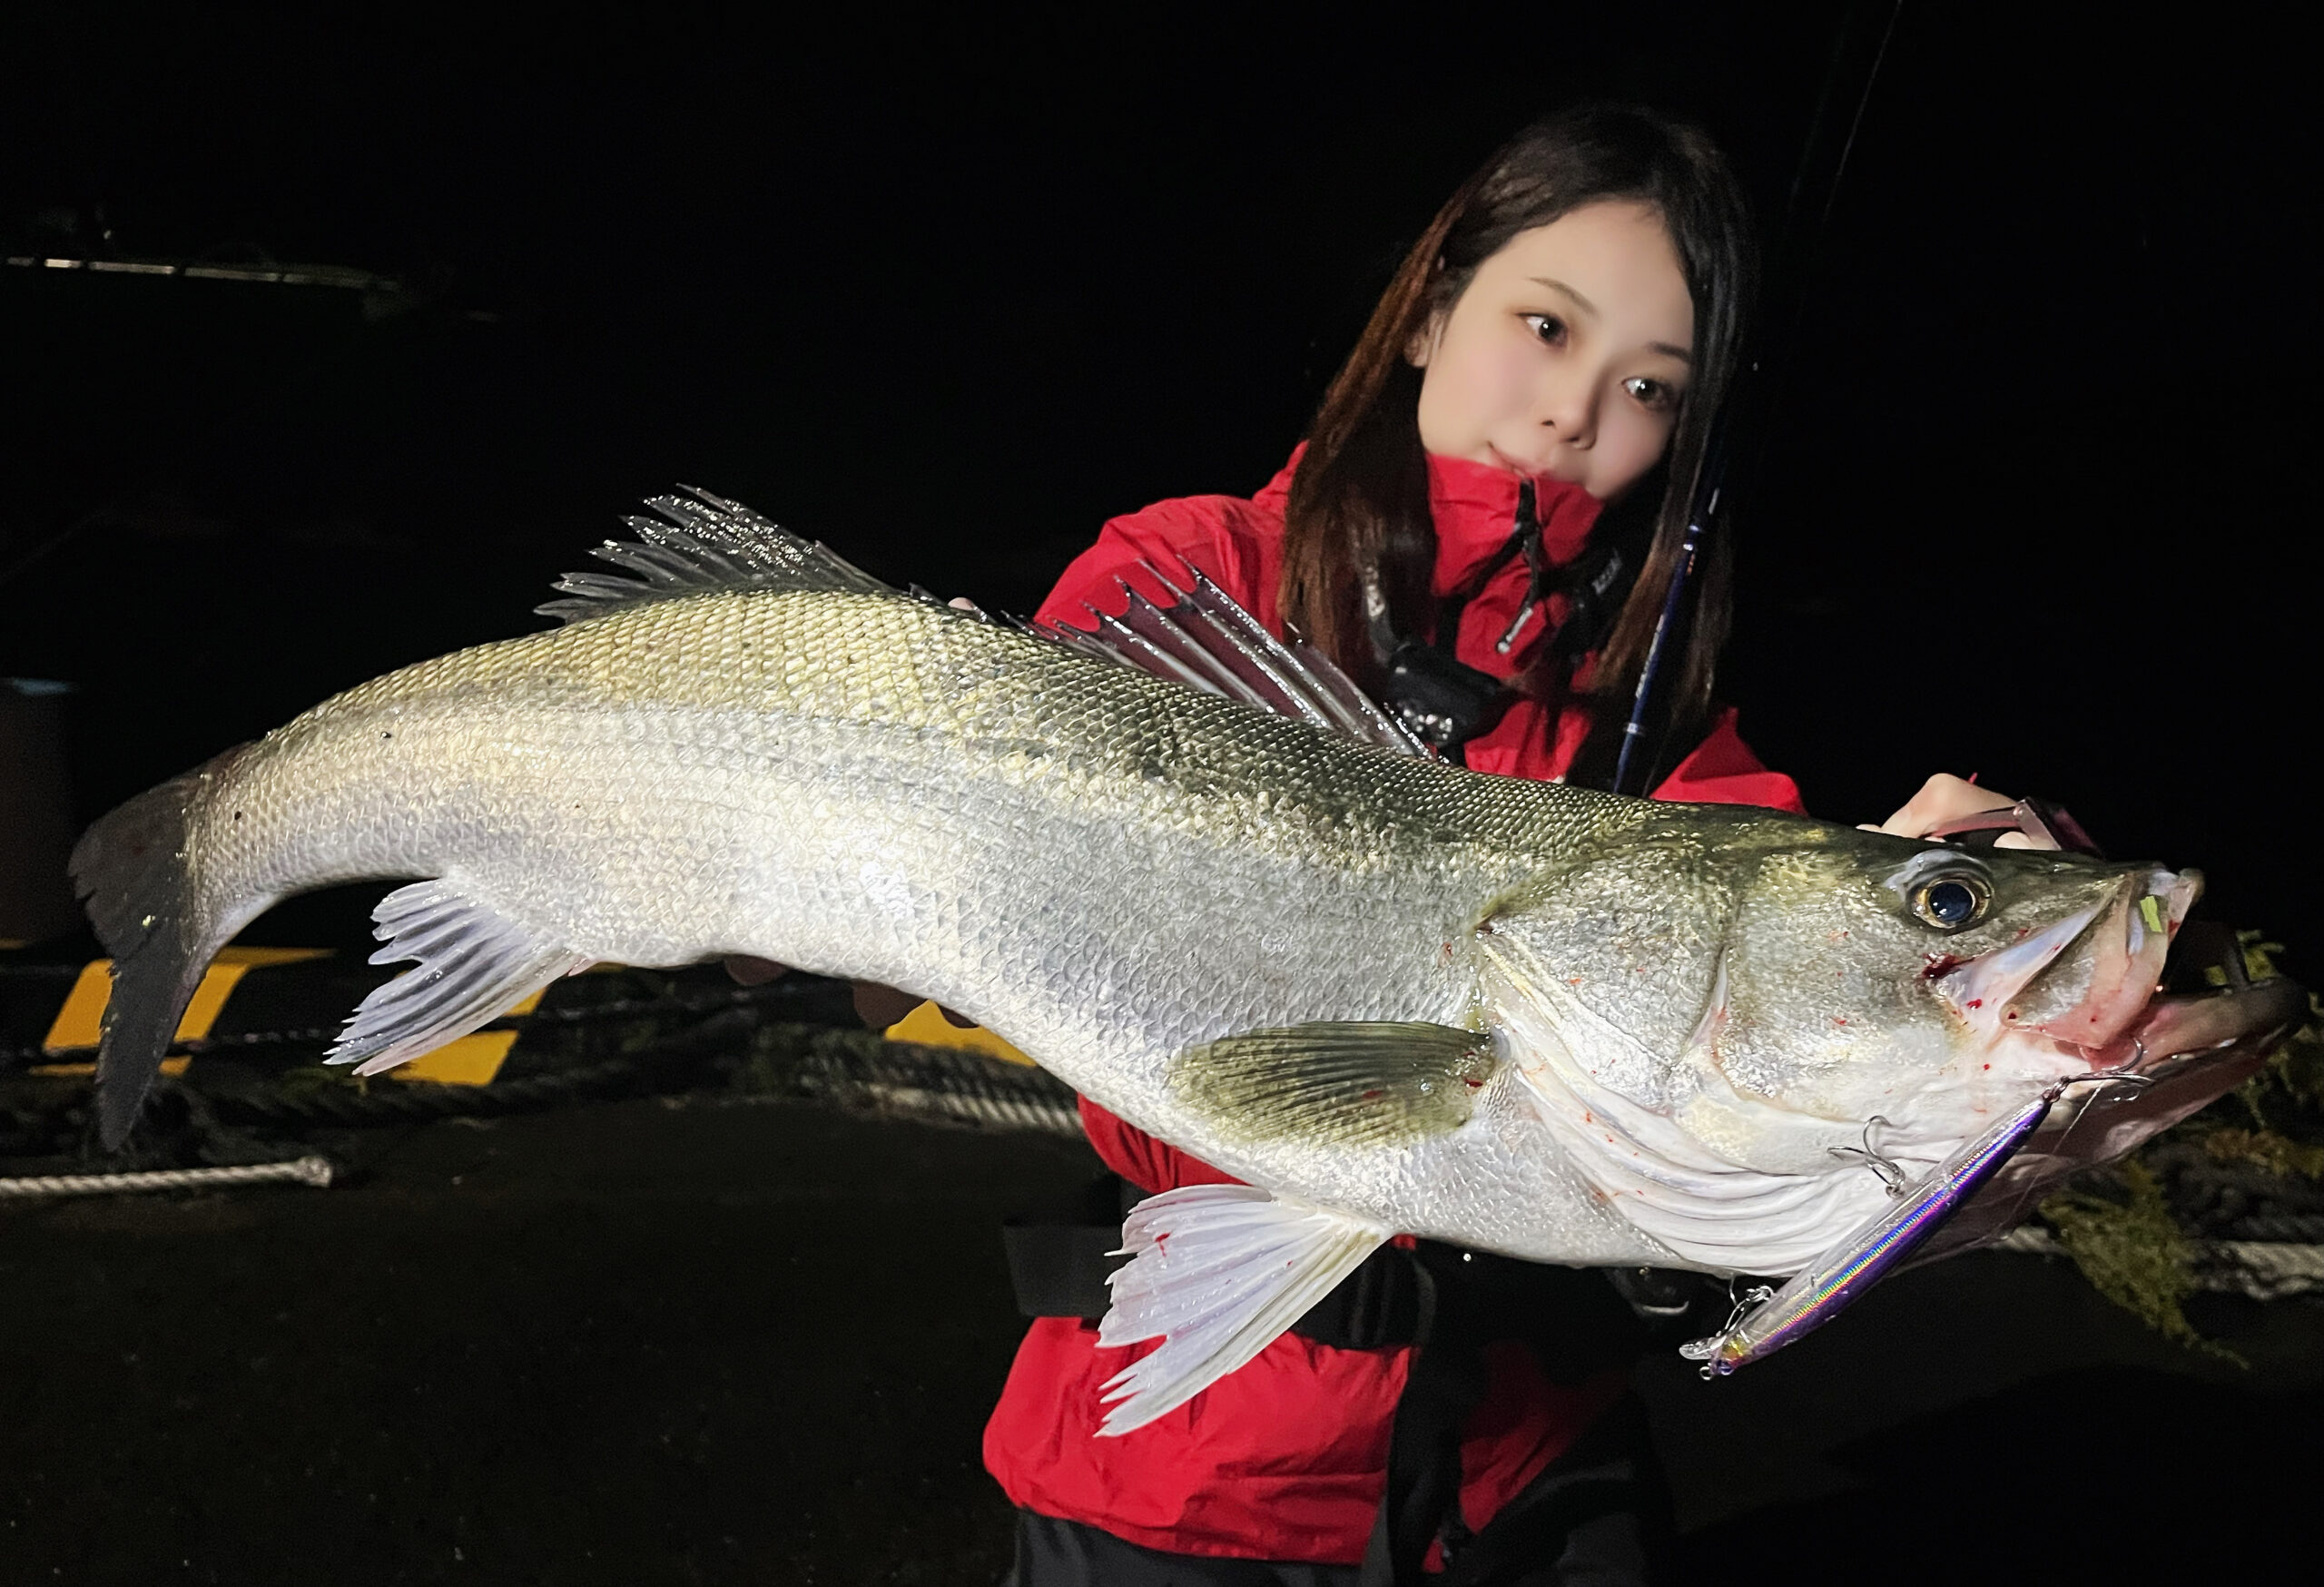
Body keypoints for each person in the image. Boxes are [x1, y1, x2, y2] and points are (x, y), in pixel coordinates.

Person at [974, 105, 2023, 1585]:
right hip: (1170, 1475)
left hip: (1527, 1480)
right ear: (1426, 310)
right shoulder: (1184, 582)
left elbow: (1796, 1064)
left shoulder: (1667, 756)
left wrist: (1952, 923)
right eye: (1545, 325)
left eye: (1649, 387)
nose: (1574, 416)